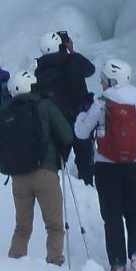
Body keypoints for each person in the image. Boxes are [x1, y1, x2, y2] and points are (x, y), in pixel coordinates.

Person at [0, 68, 74, 265]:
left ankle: (15, 266)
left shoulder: (6, 111)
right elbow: (67, 135)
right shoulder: (45, 106)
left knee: (22, 228)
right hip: (45, 173)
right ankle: (54, 264)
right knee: (54, 226)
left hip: (19, 177)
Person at [75, 57, 136, 271]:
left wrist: (81, 116)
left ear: (111, 80)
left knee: (113, 215)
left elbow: (81, 133)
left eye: (103, 80)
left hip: (106, 166)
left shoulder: (101, 103)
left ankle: (118, 266)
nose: (101, 84)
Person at [34, 30, 98, 185]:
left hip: (57, 121)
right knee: (85, 158)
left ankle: (56, 192)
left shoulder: (40, 71)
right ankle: (87, 186)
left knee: (56, 160)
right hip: (80, 116)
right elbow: (91, 70)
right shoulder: (74, 60)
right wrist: (72, 50)